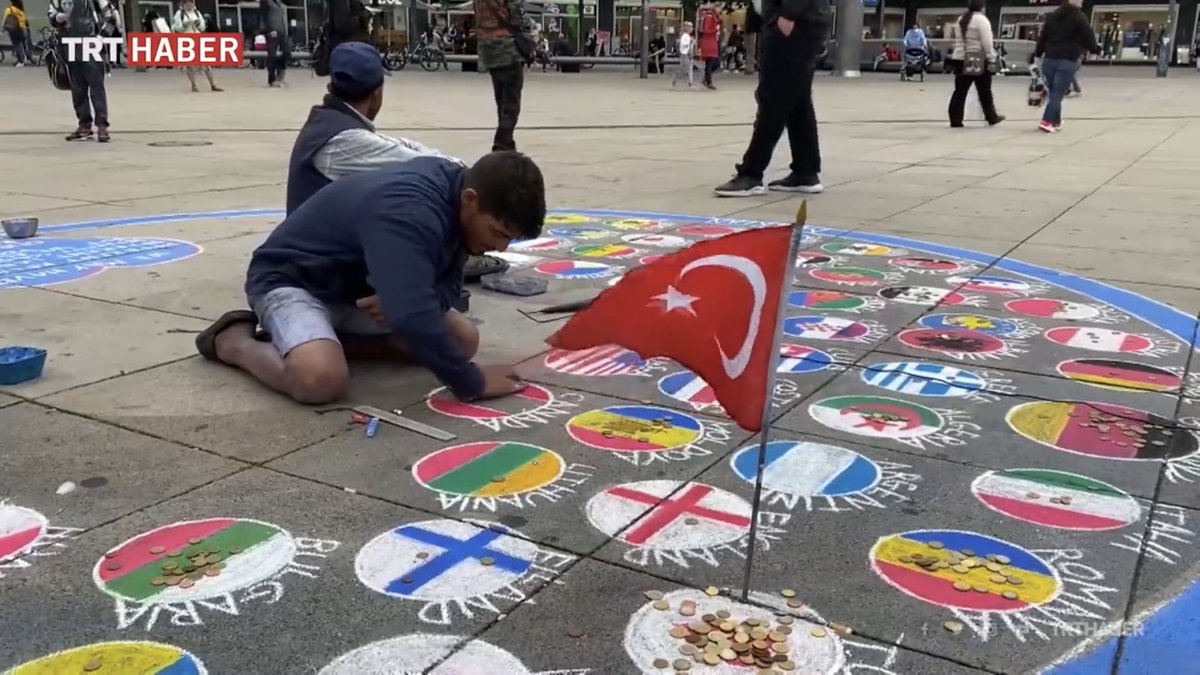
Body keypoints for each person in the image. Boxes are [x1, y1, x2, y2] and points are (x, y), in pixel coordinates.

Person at [195, 151, 546, 406]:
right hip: (294, 280)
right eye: (498, 232)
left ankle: (332, 342)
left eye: (509, 240)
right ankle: (234, 343)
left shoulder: (458, 197)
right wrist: (472, 381)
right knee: (319, 380)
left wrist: (405, 299)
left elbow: (447, 285)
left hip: (356, 292)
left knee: (463, 340)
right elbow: (412, 314)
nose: (498, 247)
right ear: (470, 200)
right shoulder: (412, 209)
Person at [286, 42, 461, 215]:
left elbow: (401, 146)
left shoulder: (328, 121)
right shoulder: (344, 140)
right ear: (377, 93)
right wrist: (464, 172)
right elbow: (422, 167)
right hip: (321, 242)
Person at [713, 0, 829, 197]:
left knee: (775, 98)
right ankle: (806, 170)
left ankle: (752, 173)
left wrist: (789, 14)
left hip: (793, 23)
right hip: (796, 23)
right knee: (797, 102)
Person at [49, 0, 116, 142]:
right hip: (70, 46)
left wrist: (101, 37)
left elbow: (112, 16)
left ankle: (101, 125)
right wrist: (58, 18)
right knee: (77, 88)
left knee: (96, 87)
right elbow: (51, 15)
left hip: (91, 45)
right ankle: (84, 124)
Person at [1034, 0, 1099, 133]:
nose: (1082, 2)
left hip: (1049, 59)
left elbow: (1043, 37)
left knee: (1054, 92)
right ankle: (1046, 121)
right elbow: (1088, 35)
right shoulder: (1079, 17)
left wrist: (1038, 53)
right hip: (1068, 59)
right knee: (1057, 93)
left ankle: (1056, 121)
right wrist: (1095, 49)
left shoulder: (1052, 17)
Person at [474, 0, 531, 152]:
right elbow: (517, 15)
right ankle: (501, 145)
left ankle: (507, 145)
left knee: (502, 102)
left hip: (488, 49)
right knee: (511, 105)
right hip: (507, 49)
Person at [946, 0, 1004, 128]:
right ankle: (991, 116)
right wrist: (991, 57)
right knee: (985, 91)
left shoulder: (961, 19)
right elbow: (987, 42)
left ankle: (955, 119)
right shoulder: (982, 20)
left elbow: (957, 39)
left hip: (960, 58)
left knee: (960, 91)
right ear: (982, 7)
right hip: (978, 59)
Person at [173, 0, 222, 92]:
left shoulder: (197, 12)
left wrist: (198, 23)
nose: (189, 5)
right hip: (187, 41)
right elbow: (176, 28)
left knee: (206, 63)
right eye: (187, 3)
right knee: (190, 64)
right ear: (183, 4)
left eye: (191, 3)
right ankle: (194, 85)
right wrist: (184, 24)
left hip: (198, 39)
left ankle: (213, 85)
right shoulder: (179, 14)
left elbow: (203, 27)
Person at [259, 0, 289, 87]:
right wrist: (268, 30)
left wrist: (286, 31)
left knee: (287, 51)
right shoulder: (266, 1)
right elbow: (263, 16)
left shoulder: (280, 3)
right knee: (272, 54)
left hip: (282, 31)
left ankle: (281, 74)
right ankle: (271, 79)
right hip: (272, 31)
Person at [697, 4, 720, 89]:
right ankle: (708, 81)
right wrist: (714, 30)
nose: (720, 9)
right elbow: (706, 30)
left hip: (712, 42)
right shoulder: (709, 17)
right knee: (710, 63)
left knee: (715, 63)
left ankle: (706, 78)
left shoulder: (713, 17)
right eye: (718, 7)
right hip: (709, 42)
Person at [672, 21, 699, 87]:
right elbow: (683, 45)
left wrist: (692, 42)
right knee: (684, 68)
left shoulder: (688, 36)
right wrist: (690, 42)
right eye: (690, 27)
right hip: (685, 54)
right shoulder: (684, 36)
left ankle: (689, 82)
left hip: (689, 54)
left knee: (687, 68)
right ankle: (679, 79)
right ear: (687, 28)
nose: (692, 28)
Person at [3, 0, 29, 66]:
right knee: (21, 44)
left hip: (13, 29)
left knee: (17, 45)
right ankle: (22, 58)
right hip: (22, 29)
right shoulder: (21, 10)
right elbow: (24, 20)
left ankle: (21, 60)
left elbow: (5, 19)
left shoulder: (10, 9)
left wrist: (3, 28)